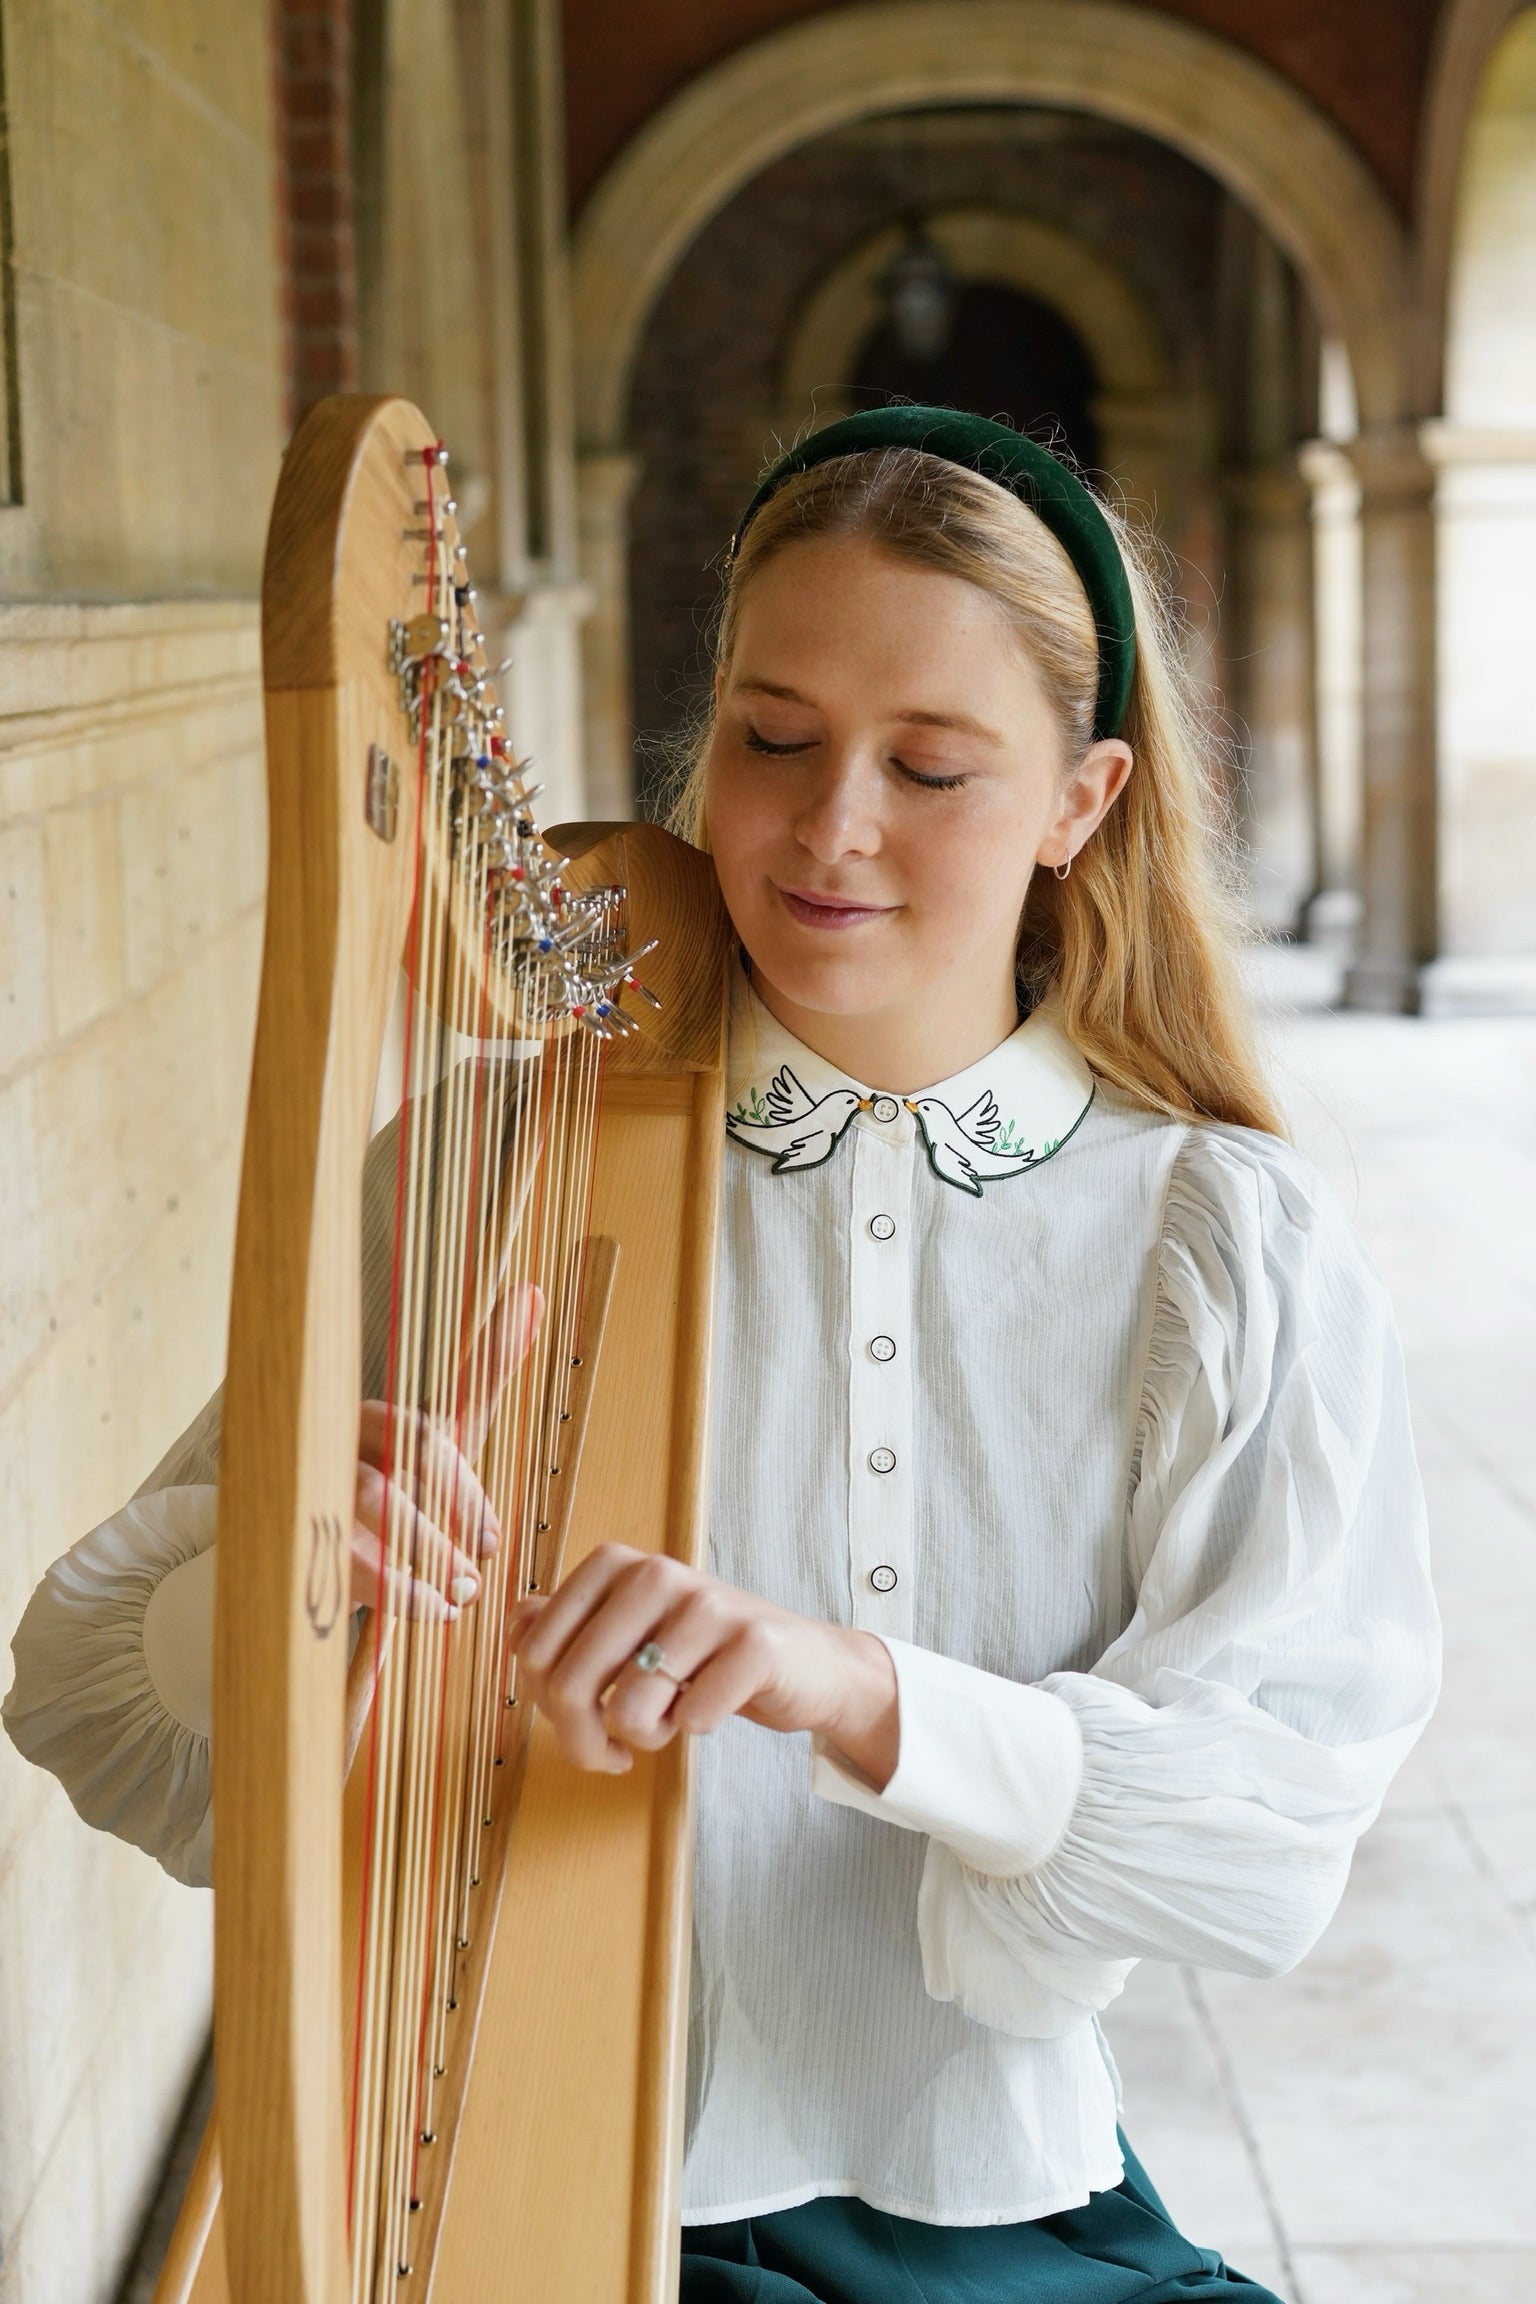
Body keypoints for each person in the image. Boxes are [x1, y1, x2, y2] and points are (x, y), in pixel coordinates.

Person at [5, 408, 1439, 2304]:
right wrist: (279, 1581)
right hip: (500, 2188)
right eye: (773, 738)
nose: (832, 826)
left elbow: (1262, 1841)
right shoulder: (481, 1170)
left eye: (931, 768)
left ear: (1082, 802)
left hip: (986, 2217)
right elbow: (81, 1694)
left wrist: (858, 1692)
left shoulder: (1218, 1242)